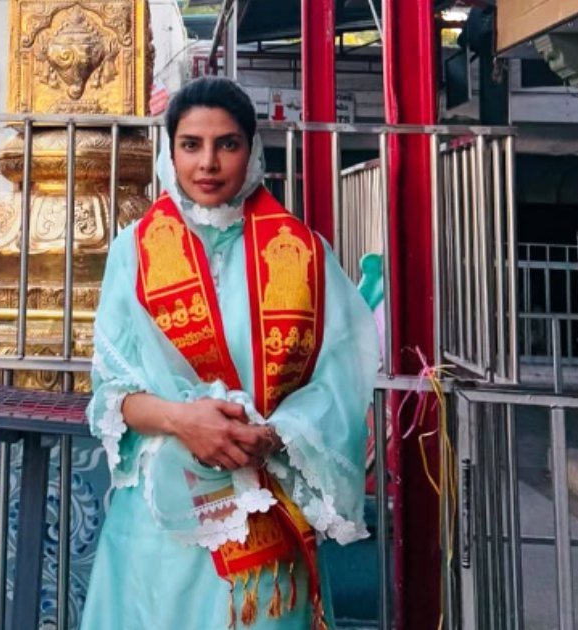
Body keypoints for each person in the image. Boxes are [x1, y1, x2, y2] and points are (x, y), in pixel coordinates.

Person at [80, 77, 378, 629]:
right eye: (191, 144)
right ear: (172, 153)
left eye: (228, 144)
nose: (209, 163)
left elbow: (340, 383)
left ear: (252, 150)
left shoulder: (303, 254)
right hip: (161, 524)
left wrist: (277, 433)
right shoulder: (135, 252)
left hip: (263, 510)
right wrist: (184, 421)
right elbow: (112, 396)